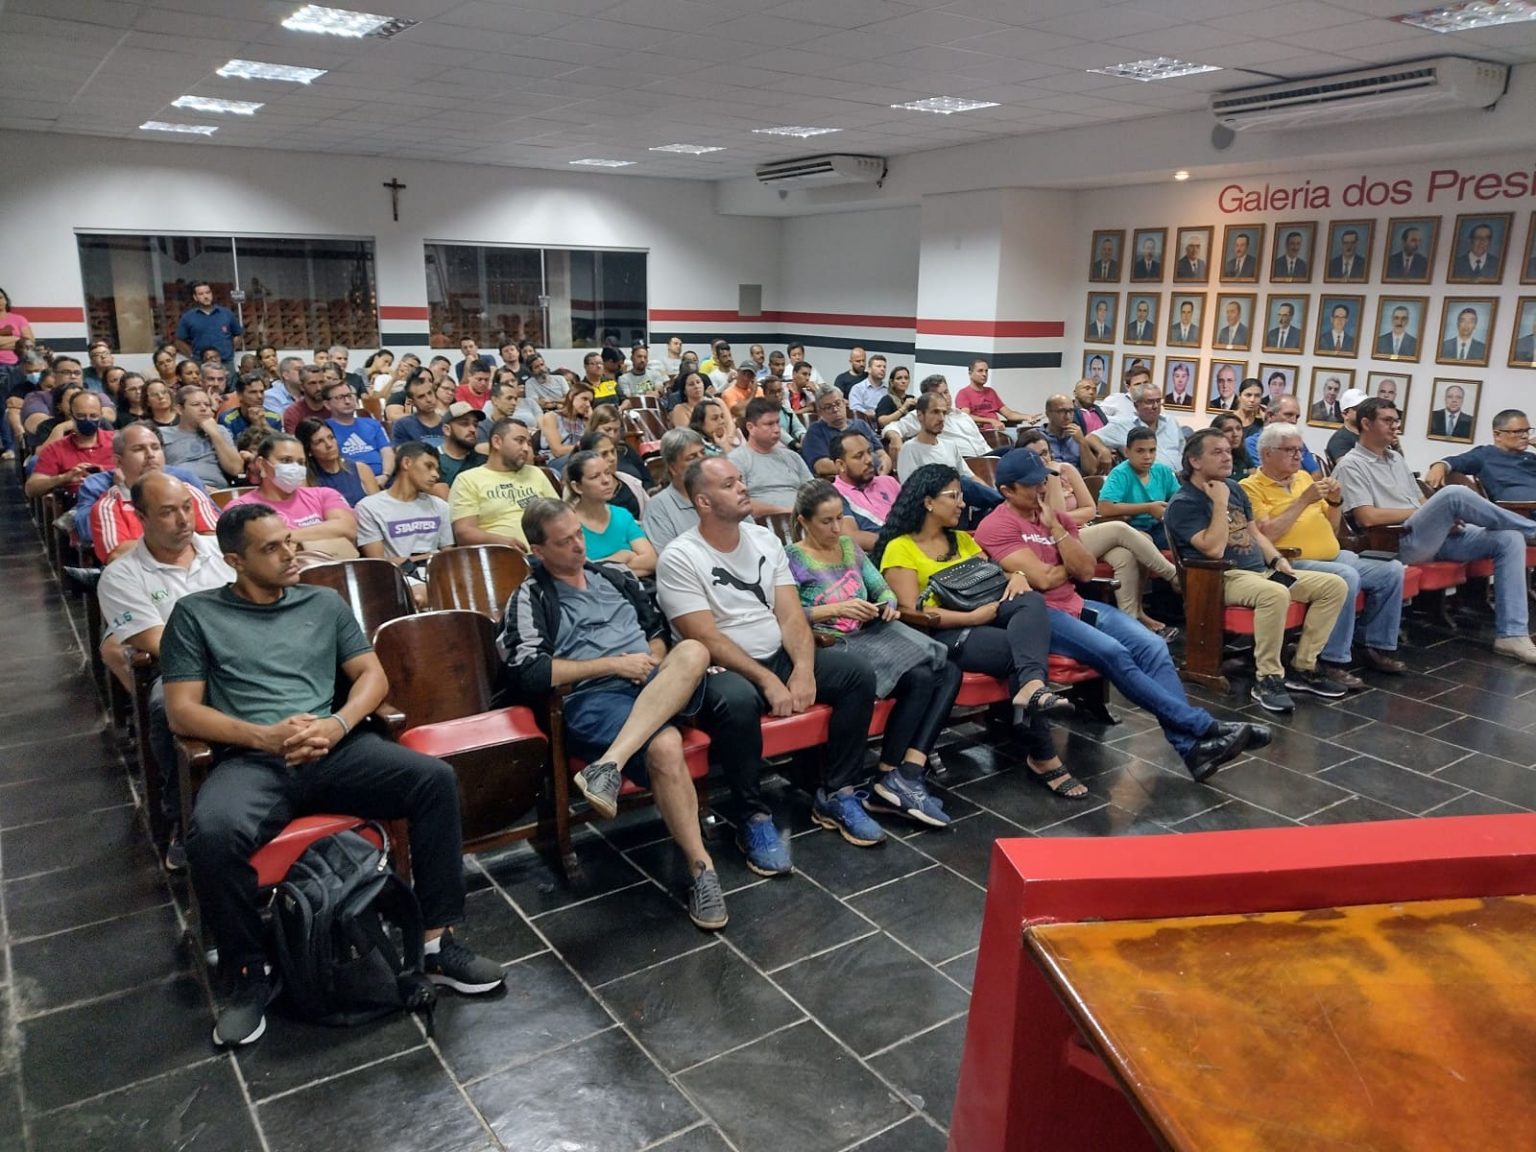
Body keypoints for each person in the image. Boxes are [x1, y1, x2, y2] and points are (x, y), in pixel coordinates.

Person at [165, 503, 504, 1046]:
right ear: (235, 560)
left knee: (433, 781)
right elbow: (182, 710)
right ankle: (251, 973)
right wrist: (265, 736)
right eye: (270, 548)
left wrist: (337, 724)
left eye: (289, 541)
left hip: (334, 746)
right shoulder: (197, 613)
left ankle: (438, 943)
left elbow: (372, 675)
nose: (289, 553)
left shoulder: (323, 601)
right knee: (213, 834)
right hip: (255, 758)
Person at [500, 500, 724, 927]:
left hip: (651, 682)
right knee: (664, 743)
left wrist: (648, 662)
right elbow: (530, 672)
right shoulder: (531, 596)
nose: (577, 547)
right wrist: (614, 665)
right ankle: (702, 870)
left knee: (693, 648)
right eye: (563, 542)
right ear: (538, 549)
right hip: (593, 696)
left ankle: (608, 765)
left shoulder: (616, 575)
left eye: (578, 535)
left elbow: (657, 632)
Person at [977, 450, 1267, 779]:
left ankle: (1193, 750)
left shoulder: (1059, 520)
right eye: (1031, 485)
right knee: (1115, 653)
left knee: (1154, 647)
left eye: (1043, 480)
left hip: (1075, 603)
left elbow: (1085, 571)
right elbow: (1042, 581)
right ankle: (1203, 726)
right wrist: (1064, 567)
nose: (1042, 488)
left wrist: (1056, 529)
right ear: (1008, 491)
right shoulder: (996, 525)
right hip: (1039, 615)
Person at [658, 457, 884, 857]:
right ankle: (752, 817)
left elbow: (791, 613)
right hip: (720, 668)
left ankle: (837, 791)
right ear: (704, 502)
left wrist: (802, 668)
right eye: (729, 484)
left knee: (857, 675)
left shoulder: (764, 540)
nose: (743, 488)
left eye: (741, 480)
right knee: (738, 700)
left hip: (776, 653)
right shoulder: (680, 556)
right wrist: (766, 680)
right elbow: (703, 635)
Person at [875, 464, 1081, 796]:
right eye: (954, 496)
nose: (961, 503)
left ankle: (1031, 686)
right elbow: (911, 611)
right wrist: (970, 619)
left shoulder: (961, 540)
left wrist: (1014, 575)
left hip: (985, 614)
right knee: (1021, 651)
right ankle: (1043, 754)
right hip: (943, 633)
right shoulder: (901, 546)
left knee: (1031, 602)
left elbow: (989, 576)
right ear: (928, 502)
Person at [787, 480, 961, 825]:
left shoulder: (850, 547)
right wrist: (835, 610)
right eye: (826, 521)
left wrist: (885, 605)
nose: (837, 528)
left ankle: (898, 771)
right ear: (804, 521)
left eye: (840, 518)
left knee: (944, 670)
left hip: (869, 634)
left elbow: (882, 588)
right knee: (925, 675)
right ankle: (893, 774)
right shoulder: (792, 558)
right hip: (830, 642)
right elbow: (788, 615)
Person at [97, 472, 235, 869]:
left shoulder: (224, 551)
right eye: (168, 512)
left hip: (250, 654)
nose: (183, 520)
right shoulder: (122, 575)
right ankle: (181, 815)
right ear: (141, 516)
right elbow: (161, 642)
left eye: (187, 507)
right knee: (164, 705)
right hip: (181, 669)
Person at [1335, 398, 1536, 664]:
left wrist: (1439, 517)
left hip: (1429, 535)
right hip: (1395, 542)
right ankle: (1532, 530)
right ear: (1365, 423)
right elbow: (1367, 517)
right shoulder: (1351, 464)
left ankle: (1512, 635)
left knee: (1508, 539)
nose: (1395, 426)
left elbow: (1419, 502)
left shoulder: (1395, 458)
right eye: (1387, 421)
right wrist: (1429, 513)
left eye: (1396, 421)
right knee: (1453, 494)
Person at [1165, 430, 1351, 712]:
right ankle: (1267, 678)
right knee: (1275, 593)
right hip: (1220, 577)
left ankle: (1303, 667)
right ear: (1195, 461)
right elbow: (1213, 550)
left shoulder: (1234, 487)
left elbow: (1254, 533)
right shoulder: (1184, 502)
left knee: (1334, 586)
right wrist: (1218, 503)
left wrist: (1276, 560)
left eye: (1228, 451)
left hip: (1260, 572)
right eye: (1217, 452)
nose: (1227, 456)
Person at [1242, 422, 1406, 680]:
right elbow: (1265, 535)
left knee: (1391, 571)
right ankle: (1331, 659)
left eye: (1300, 450)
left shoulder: (1304, 479)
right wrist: (1302, 501)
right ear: (1266, 454)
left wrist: (1334, 501)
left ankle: (1373, 645)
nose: (1298, 456)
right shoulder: (1250, 487)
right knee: (1345, 576)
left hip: (1333, 555)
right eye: (1289, 450)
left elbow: (1331, 527)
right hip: (1289, 562)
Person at [1018, 430, 1181, 636]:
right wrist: (1052, 477)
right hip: (1055, 541)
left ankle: (1131, 623)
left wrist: (1068, 517)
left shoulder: (1067, 469)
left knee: (1125, 555)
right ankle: (1173, 574)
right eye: (1035, 456)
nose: (1042, 459)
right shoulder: (1027, 484)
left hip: (1081, 532)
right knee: (1121, 529)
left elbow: (1089, 509)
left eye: (1045, 453)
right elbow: (1056, 518)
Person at [84, 421, 218, 563]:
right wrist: (176, 542)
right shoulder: (108, 507)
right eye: (138, 449)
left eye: (155, 448)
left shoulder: (189, 492)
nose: (150, 455)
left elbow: (214, 540)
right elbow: (117, 556)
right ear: (118, 461)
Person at [227, 432, 359, 559]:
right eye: (286, 460)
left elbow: (347, 528)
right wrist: (323, 538)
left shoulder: (324, 494)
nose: (295, 468)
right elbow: (261, 549)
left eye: (301, 462)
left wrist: (289, 537)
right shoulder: (241, 508)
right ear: (261, 464)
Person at [355, 441, 454, 605]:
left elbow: (448, 556)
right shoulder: (369, 507)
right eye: (428, 466)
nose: (435, 475)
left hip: (437, 573)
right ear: (406, 463)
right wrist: (426, 557)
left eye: (437, 469)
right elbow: (378, 563)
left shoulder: (440, 506)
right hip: (397, 576)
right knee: (420, 596)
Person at [449, 417, 557, 551]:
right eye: (519, 441)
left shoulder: (536, 473)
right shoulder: (467, 480)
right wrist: (502, 542)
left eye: (528, 443)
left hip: (548, 555)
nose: (526, 448)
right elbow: (464, 533)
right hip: (500, 558)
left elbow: (559, 515)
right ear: (497, 442)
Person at [897, 392, 1002, 520]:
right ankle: (1005, 507)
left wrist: (991, 493)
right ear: (920, 415)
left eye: (943, 413)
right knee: (958, 482)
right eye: (935, 412)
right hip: (932, 511)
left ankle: (1002, 506)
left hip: (959, 506)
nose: (941, 418)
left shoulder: (950, 445)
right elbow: (911, 493)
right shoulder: (909, 449)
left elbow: (971, 477)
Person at [565, 450, 656, 578]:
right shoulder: (568, 525)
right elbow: (580, 575)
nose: (606, 480)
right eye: (595, 477)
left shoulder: (622, 515)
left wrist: (602, 568)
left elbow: (651, 561)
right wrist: (623, 556)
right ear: (577, 487)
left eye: (608, 473)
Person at [1424, 408, 1536, 500]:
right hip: (1519, 514)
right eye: (1518, 431)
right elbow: (1456, 461)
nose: (1525, 436)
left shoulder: (1530, 457)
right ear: (1497, 435)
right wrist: (1440, 465)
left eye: (1527, 430)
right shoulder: (1485, 455)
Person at [1097, 426, 1179, 549]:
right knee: (1145, 542)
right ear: (1127, 452)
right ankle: (1168, 569)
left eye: (1152, 450)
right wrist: (1149, 508)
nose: (1147, 456)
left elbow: (1178, 499)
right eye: (1140, 451)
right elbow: (1105, 508)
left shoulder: (1163, 471)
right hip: (1130, 528)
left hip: (1159, 526)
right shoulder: (1120, 473)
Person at [24, 389, 115, 498]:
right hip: (78, 504)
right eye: (81, 416)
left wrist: (105, 472)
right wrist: (64, 478)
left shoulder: (117, 441)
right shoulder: (55, 449)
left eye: (93, 415)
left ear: (101, 416)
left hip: (116, 500)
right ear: (71, 416)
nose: (88, 420)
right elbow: (31, 489)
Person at [729, 397, 813, 515]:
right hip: (763, 526)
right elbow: (738, 502)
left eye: (777, 423)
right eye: (769, 424)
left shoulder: (793, 457)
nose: (777, 429)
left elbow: (814, 494)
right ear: (750, 428)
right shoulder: (736, 460)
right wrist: (785, 512)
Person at [1086, 374, 1184, 474]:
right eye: (1149, 402)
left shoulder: (1171, 422)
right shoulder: (1124, 425)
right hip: (1150, 482)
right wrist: (1103, 450)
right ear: (1136, 405)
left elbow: (1182, 451)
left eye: (1158, 401)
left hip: (1181, 479)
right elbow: (1090, 438)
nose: (1155, 406)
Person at [831, 427, 902, 551]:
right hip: (883, 557)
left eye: (869, 452)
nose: (869, 460)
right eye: (859, 456)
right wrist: (903, 545)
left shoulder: (888, 481)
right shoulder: (834, 494)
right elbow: (852, 537)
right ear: (841, 465)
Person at [642, 428, 708, 552]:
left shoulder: (721, 492)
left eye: (703, 453)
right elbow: (669, 559)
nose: (702, 461)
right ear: (673, 468)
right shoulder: (658, 508)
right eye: (692, 457)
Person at [801, 386, 888, 479]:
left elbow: (882, 455)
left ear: (844, 403)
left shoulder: (861, 425)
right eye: (828, 407)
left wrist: (883, 474)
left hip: (876, 478)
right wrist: (861, 468)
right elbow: (822, 466)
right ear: (820, 412)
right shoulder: (815, 431)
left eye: (838, 403)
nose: (835, 410)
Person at [296, 417, 379, 506]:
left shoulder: (361, 469)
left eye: (331, 437)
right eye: (319, 442)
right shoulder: (305, 482)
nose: (329, 445)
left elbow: (379, 509)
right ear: (308, 450)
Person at [325, 379, 393, 479]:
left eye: (349, 395)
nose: (347, 401)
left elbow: (387, 451)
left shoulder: (372, 423)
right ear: (327, 404)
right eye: (340, 397)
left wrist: (386, 475)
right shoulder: (324, 429)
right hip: (350, 482)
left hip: (384, 477)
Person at [580, 429, 648, 518]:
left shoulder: (631, 481)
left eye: (613, 451)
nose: (612, 458)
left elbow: (651, 513)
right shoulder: (584, 492)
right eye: (604, 454)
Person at [173, 281, 242, 365]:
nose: (206, 296)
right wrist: (192, 355)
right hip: (201, 363)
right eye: (201, 294)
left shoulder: (226, 313)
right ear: (195, 297)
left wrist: (230, 351)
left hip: (226, 362)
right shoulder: (188, 318)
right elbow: (179, 341)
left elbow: (238, 335)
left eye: (208, 293)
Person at [955, 359, 1030, 433]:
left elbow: (1009, 414)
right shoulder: (963, 393)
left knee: (1027, 436)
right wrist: (991, 421)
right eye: (980, 371)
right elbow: (965, 417)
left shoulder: (991, 392)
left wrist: (1028, 417)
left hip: (998, 431)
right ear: (970, 373)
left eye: (986, 371)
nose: (984, 374)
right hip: (980, 433)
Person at [1040, 393, 1107, 473]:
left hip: (1076, 482)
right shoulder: (1037, 437)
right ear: (1048, 414)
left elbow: (1091, 471)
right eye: (1062, 411)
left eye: (1071, 411)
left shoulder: (1078, 436)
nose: (1068, 416)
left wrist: (1082, 442)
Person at [436, 402, 485, 494]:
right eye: (465, 424)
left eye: (475, 425)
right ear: (447, 430)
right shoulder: (431, 460)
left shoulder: (483, 462)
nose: (473, 429)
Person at [391, 372, 447, 449]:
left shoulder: (449, 422)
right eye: (421, 397)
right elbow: (402, 456)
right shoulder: (402, 425)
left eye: (430, 393)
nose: (428, 399)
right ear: (412, 402)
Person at [222, 374, 282, 439]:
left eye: (261, 392)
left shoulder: (274, 418)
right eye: (253, 392)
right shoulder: (228, 419)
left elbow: (277, 446)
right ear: (239, 395)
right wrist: (255, 427)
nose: (260, 396)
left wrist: (264, 425)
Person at [760, 374, 807, 448]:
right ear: (765, 394)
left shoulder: (787, 411)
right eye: (772, 392)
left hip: (789, 450)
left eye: (779, 391)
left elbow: (798, 428)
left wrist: (803, 436)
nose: (777, 395)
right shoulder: (760, 413)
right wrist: (794, 444)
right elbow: (777, 430)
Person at [1326, 388, 1369, 465]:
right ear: (1345, 414)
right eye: (1360, 408)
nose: (1365, 412)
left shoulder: (1369, 436)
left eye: (1367, 408)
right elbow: (1348, 470)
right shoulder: (1339, 440)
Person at [1211, 412, 1255, 483]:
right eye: (1228, 430)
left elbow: (1253, 478)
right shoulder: (1211, 457)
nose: (1235, 434)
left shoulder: (1243, 452)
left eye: (1238, 429)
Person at [848, 354, 892, 421]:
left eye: (884, 367)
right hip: (864, 423)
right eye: (878, 366)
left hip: (885, 423)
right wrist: (867, 413)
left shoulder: (889, 389)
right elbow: (855, 408)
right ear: (869, 369)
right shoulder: (858, 388)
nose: (882, 369)